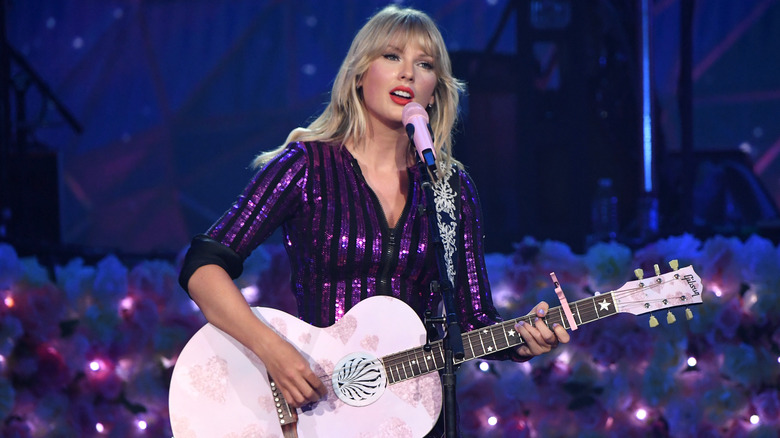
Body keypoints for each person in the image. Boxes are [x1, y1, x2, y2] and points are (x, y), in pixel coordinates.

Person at [178, 4, 570, 436]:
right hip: (313, 409)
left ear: (434, 91)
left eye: (424, 65)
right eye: (391, 56)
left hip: (410, 417)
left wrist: (524, 340)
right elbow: (203, 266)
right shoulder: (306, 166)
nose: (407, 73)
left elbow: (473, 320)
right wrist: (275, 352)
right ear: (360, 73)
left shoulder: (450, 188)